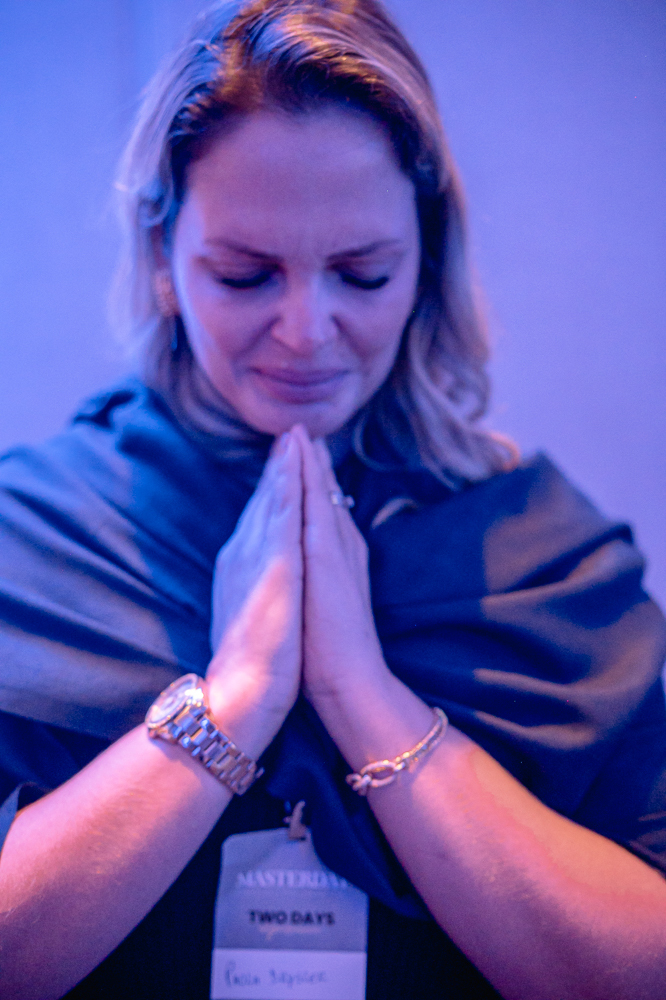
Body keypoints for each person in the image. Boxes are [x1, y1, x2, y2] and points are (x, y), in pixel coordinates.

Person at [0, 1, 665, 997]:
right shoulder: (35, 536)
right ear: (162, 257)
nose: (307, 331)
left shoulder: (544, 556)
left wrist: (365, 698)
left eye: (362, 272)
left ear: (427, 257)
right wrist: (235, 699)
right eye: (245, 275)